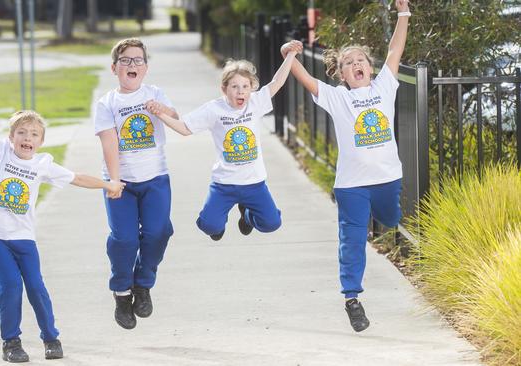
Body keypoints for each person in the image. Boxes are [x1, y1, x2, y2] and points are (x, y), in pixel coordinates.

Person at [0, 72, 125, 362]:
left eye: (34, 134)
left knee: (36, 287)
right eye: (22, 133)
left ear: (41, 141)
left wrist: (108, 184)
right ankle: (11, 343)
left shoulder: (42, 165)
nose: (27, 138)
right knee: (10, 288)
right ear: (11, 137)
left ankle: (51, 337)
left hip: (24, 238)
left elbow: (77, 177)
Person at [280, 0, 411, 332]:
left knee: (391, 218)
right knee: (351, 241)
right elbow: (307, 80)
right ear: (342, 74)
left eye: (360, 60)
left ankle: (386, 219)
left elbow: (395, 51)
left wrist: (403, 13)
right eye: (348, 62)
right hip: (351, 185)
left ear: (369, 66)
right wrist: (289, 54)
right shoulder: (337, 97)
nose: (356, 64)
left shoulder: (384, 87)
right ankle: (352, 298)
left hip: (387, 179)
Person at [145, 40, 302, 243]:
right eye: (235, 87)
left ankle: (247, 216)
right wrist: (160, 115)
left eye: (246, 86)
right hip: (224, 184)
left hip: (254, 183)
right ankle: (217, 225)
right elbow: (184, 128)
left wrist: (291, 55)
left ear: (251, 88)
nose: (241, 91)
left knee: (271, 223)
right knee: (210, 225)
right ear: (224, 89)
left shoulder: (255, 103)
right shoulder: (214, 109)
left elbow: (277, 82)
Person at [93, 38, 179, 330]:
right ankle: (121, 291)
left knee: (159, 232)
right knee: (125, 239)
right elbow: (109, 143)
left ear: (146, 67)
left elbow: (176, 118)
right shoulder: (107, 103)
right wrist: (115, 181)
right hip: (121, 182)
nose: (132, 65)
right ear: (115, 68)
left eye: (138, 60)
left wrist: (162, 111)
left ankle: (143, 284)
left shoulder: (155, 93)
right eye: (126, 60)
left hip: (155, 177)